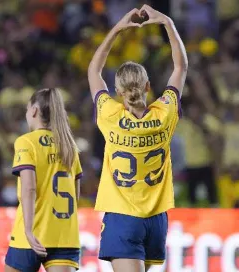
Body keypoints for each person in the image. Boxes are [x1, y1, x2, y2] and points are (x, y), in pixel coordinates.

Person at [88, 5, 187, 272]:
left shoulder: (110, 115)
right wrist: (166, 21)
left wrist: (118, 28)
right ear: (147, 86)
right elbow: (180, 66)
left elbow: (94, 72)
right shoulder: (165, 113)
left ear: (118, 91)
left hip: (122, 216)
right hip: (155, 217)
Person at [5, 88, 83, 272]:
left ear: (34, 111)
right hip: (65, 235)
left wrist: (29, 231)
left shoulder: (26, 142)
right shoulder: (69, 145)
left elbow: (29, 188)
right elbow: (76, 194)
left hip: (33, 234)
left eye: (26, 109)